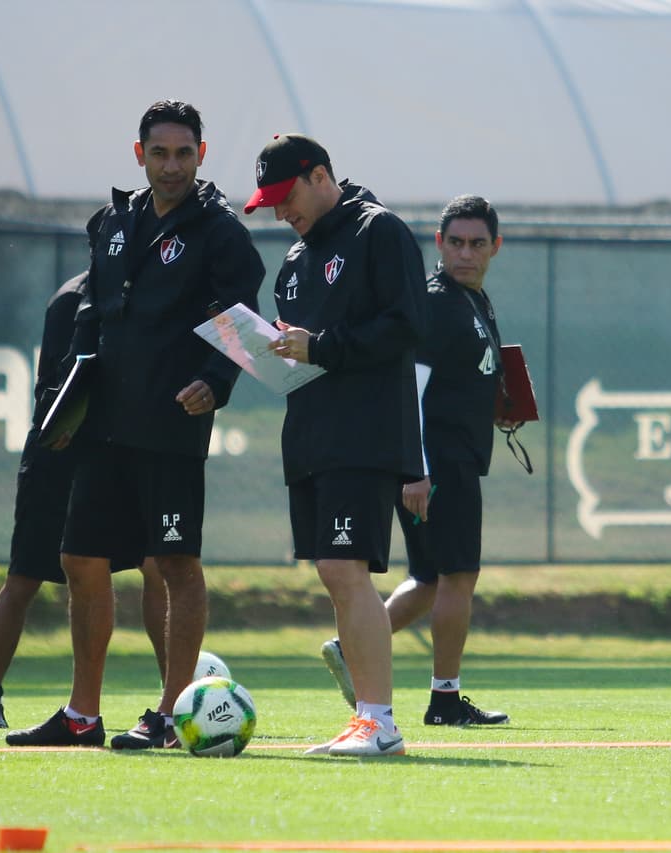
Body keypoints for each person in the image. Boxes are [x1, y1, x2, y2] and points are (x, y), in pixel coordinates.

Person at [5, 100, 265, 749]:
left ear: (202, 155)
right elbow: (90, 314)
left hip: (171, 423)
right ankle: (82, 716)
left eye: (183, 153)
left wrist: (217, 380)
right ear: (139, 154)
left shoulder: (220, 231)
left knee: (174, 562)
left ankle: (173, 715)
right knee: (79, 557)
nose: (171, 166)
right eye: (159, 153)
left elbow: (243, 316)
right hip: (104, 425)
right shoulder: (114, 222)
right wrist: (67, 399)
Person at [245, 133, 429, 756]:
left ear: (320, 176)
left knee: (346, 570)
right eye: (269, 202)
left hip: (365, 433)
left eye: (286, 196)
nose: (280, 212)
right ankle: (366, 721)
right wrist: (273, 350)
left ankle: (379, 722)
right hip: (312, 434)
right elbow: (303, 348)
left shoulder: (380, 231)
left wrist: (319, 346)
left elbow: (406, 325)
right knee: (333, 573)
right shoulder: (296, 259)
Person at [320, 194, 511, 727]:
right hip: (438, 463)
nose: (465, 253)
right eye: (456, 242)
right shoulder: (438, 302)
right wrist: (418, 469)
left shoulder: (471, 299)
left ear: (495, 246)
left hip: (443, 458)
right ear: (439, 243)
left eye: (477, 243)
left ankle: (350, 644)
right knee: (458, 575)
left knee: (429, 578)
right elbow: (414, 389)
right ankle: (445, 699)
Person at [0, 272, 168, 730]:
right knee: (23, 578)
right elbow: (61, 385)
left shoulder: (135, 291)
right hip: (58, 454)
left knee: (158, 566)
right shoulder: (74, 298)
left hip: (115, 452)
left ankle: (175, 699)